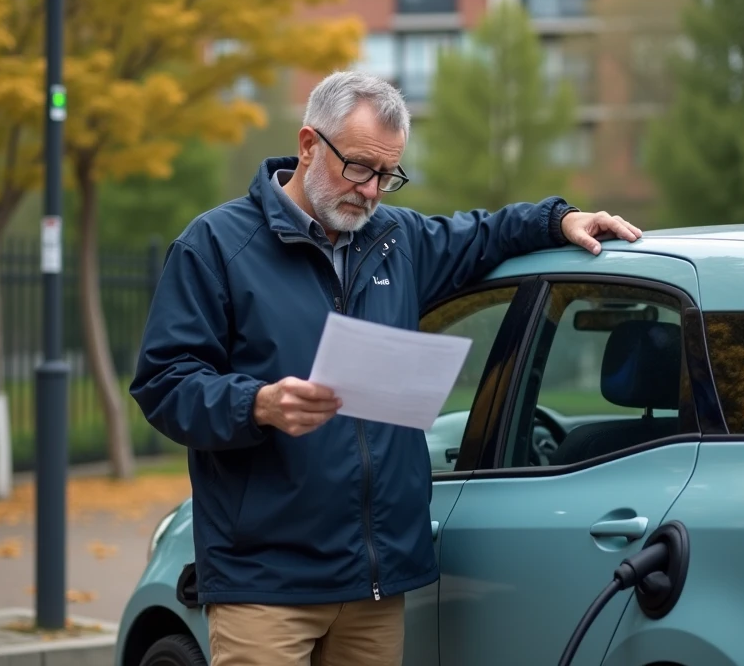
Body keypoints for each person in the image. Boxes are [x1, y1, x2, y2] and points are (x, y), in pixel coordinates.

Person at [129, 71, 643, 666]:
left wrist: (559, 220)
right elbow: (163, 382)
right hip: (265, 583)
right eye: (360, 169)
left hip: (375, 585)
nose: (372, 192)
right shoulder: (214, 246)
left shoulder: (396, 239)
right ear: (307, 145)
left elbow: (484, 234)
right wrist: (257, 404)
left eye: (387, 176)